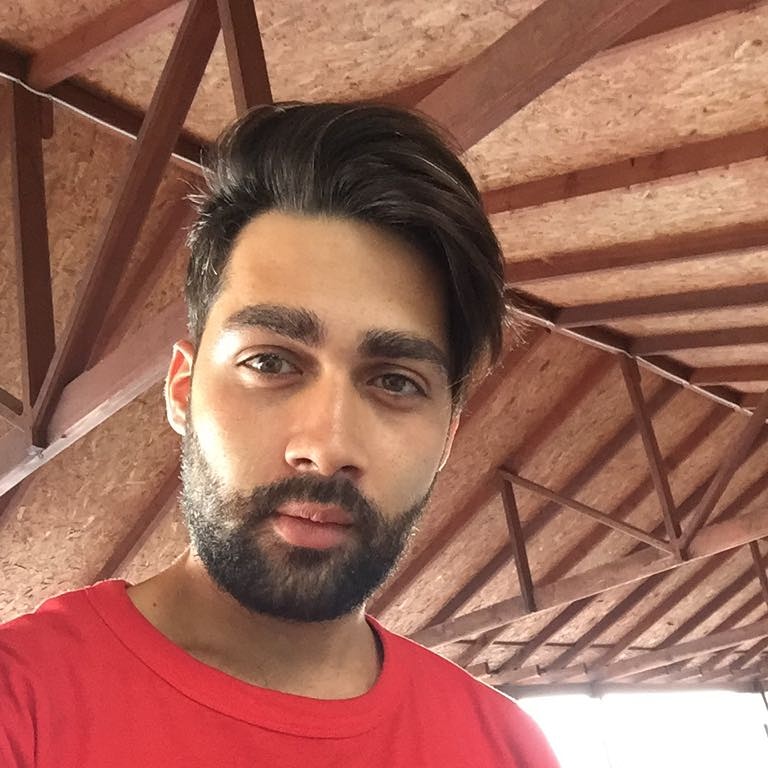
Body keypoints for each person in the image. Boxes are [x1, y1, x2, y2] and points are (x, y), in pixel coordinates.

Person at [0, 102, 559, 767]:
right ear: (182, 389)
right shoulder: (23, 704)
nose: (325, 447)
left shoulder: (504, 747)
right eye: (269, 363)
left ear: (447, 436)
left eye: (396, 381)